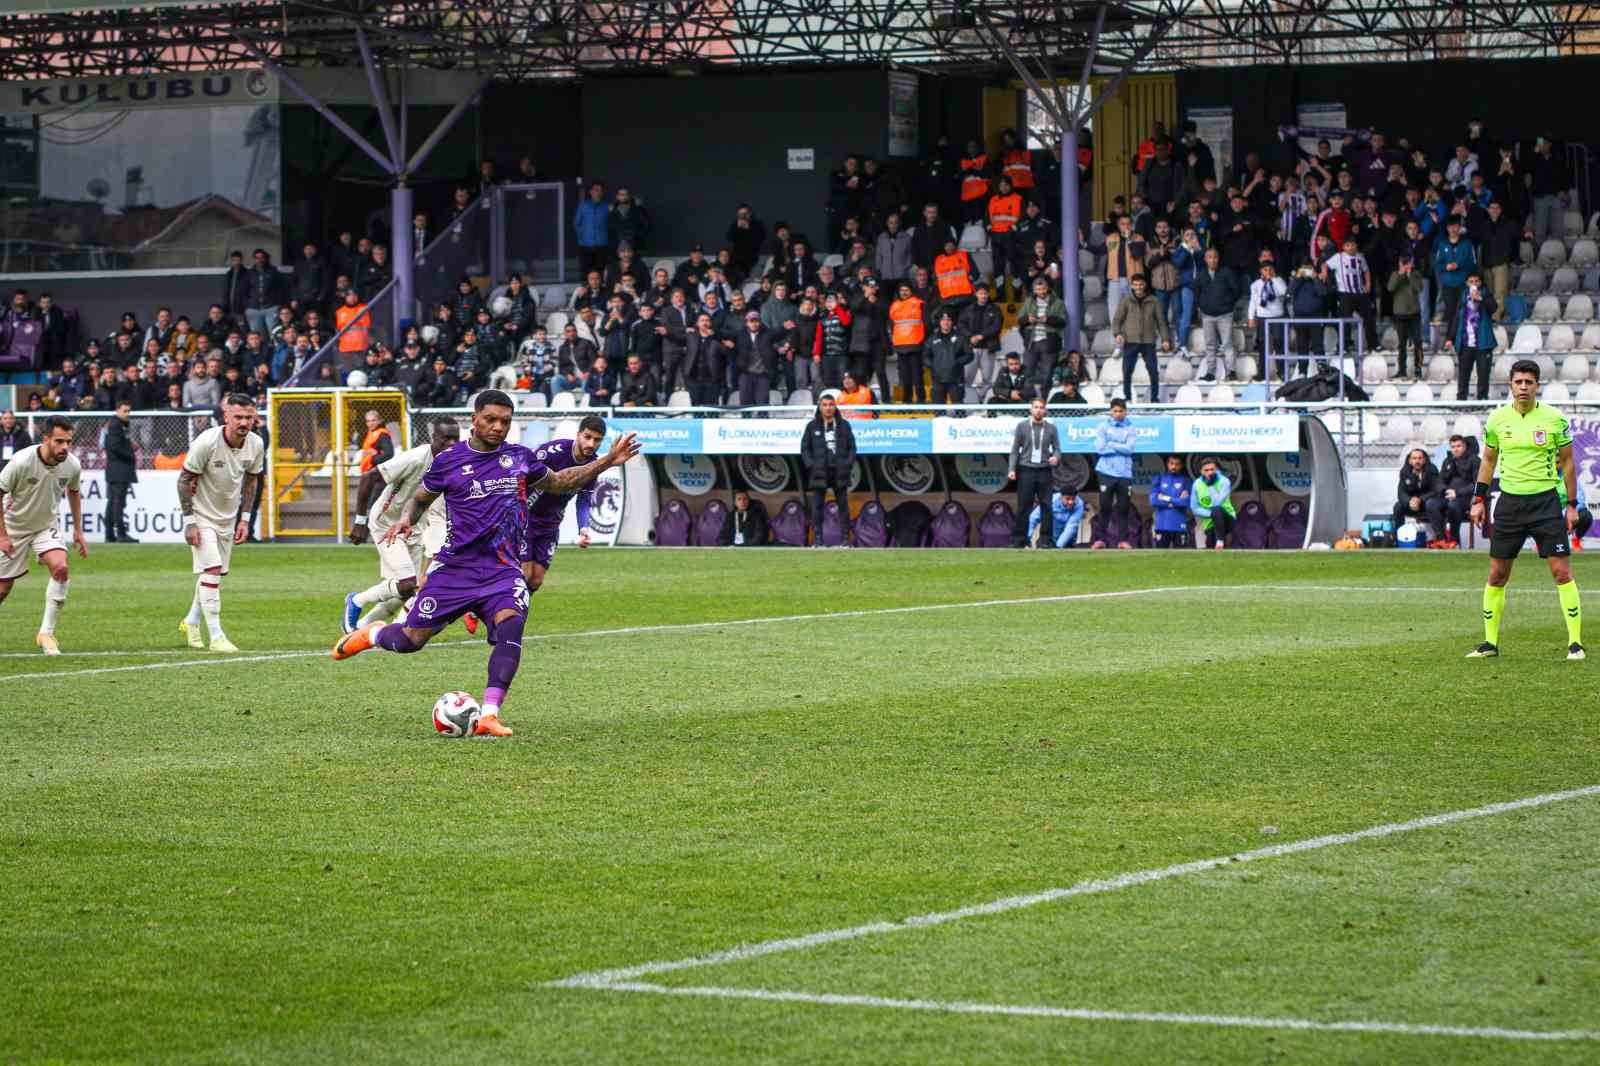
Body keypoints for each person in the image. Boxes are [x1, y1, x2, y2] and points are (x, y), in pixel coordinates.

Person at [333, 391, 641, 737]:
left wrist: (606, 461)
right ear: (475, 419)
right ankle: (373, 634)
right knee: (411, 640)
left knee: (512, 627)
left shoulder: (520, 458)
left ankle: (489, 715)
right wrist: (406, 519)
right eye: (491, 419)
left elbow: (559, 482)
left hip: (502, 570)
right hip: (454, 569)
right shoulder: (449, 461)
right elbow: (420, 498)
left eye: (505, 422)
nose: (498, 427)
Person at [1467, 360, 1583, 660]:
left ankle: (1575, 643)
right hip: (1509, 504)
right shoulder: (1497, 420)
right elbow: (1488, 461)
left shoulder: (1555, 419)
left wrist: (1571, 506)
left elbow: (1569, 463)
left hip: (1545, 503)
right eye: (1518, 382)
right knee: (1497, 574)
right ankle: (1490, 643)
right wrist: (1478, 499)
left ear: (1537, 385)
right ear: (1510, 385)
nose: (1523, 387)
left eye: (1528, 382)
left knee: (1561, 572)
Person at [342, 421, 461, 633]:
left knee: (406, 592)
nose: (451, 444)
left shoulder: (452, 463)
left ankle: (360, 629)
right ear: (434, 437)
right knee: (408, 584)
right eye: (446, 439)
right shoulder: (415, 458)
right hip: (386, 524)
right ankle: (357, 600)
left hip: (414, 528)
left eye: (455, 439)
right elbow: (369, 477)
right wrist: (360, 521)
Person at [176, 394, 263, 653]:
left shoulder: (256, 444)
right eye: (238, 417)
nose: (243, 422)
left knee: (213, 573)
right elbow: (183, 480)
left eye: (248, 417)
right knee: (212, 568)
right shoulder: (207, 442)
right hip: (201, 515)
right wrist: (189, 522)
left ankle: (190, 622)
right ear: (226, 416)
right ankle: (216, 636)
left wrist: (245, 519)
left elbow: (252, 481)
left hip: (227, 517)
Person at [0, 416, 86, 654]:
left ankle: (46, 634)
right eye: (59, 441)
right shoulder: (21, 462)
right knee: (3, 588)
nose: (65, 447)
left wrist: (78, 531)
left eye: (68, 441)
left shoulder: (72, 465)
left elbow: (74, 492)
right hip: (13, 526)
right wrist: (2, 536)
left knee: (61, 568)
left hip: (45, 525)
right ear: (45, 439)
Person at [521, 415, 609, 595]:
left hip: (550, 525)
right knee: (524, 573)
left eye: (597, 440)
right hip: (526, 519)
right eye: (587, 437)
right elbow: (522, 474)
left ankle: (515, 608)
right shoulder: (553, 452)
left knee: (536, 580)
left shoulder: (593, 466)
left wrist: (583, 528)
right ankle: (498, 610)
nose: (591, 444)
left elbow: (584, 500)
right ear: (578, 435)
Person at [800, 394, 856, 545]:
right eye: (825, 405)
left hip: (839, 471)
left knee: (843, 507)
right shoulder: (812, 426)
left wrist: (847, 464)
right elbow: (805, 449)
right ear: (820, 407)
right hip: (819, 471)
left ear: (835, 406)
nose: (828, 408)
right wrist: (811, 465)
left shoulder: (844, 425)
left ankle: (845, 539)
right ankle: (818, 539)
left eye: (831, 404)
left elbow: (852, 448)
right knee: (817, 507)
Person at [1008, 397, 1060, 548]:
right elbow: (1014, 450)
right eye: (1036, 407)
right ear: (1031, 409)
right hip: (1026, 470)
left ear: (1045, 410)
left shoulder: (1051, 428)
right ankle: (1020, 539)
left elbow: (1057, 448)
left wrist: (1056, 457)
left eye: (1041, 407)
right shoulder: (1022, 426)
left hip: (1044, 470)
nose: (1038, 410)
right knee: (1024, 506)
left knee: (1047, 506)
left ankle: (1045, 540)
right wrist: (1011, 469)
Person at [1112, 275, 1171, 404]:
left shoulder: (1153, 301)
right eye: (1136, 284)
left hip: (1148, 342)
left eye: (1141, 284)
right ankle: (1127, 398)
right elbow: (1117, 319)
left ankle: (1154, 399)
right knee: (1127, 371)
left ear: (1145, 285)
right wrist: (1117, 333)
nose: (1138, 287)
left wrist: (1165, 339)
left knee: (1153, 371)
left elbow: (1161, 322)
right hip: (1130, 341)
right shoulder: (1126, 300)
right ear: (1132, 285)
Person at [1093, 399, 1136, 549]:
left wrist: (1111, 444)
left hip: (1124, 473)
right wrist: (1120, 447)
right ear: (1111, 411)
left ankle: (1123, 540)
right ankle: (1100, 539)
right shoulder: (1103, 426)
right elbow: (1100, 449)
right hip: (1106, 471)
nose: (1118, 414)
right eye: (1115, 411)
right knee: (1105, 507)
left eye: (1121, 411)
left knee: (1124, 507)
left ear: (1125, 411)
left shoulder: (1130, 427)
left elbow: (1130, 449)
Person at [1451, 273, 1497, 401]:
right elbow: (1456, 318)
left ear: (1480, 283)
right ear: (1467, 283)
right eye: (1471, 281)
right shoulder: (1462, 297)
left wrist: (1480, 298)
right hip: (1465, 343)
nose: (1474, 284)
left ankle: (1482, 400)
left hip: (1483, 344)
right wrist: (1451, 337)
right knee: (1463, 375)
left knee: (1483, 375)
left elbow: (1493, 308)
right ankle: (1461, 401)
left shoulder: (1486, 294)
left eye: (1476, 281)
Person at [1427, 434, 1479, 544]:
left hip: (1465, 498)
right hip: (1447, 495)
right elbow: (1439, 480)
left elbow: (1477, 484)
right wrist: (1444, 490)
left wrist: (1457, 493)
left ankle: (1454, 540)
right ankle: (1441, 539)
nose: (1455, 449)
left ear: (1465, 447)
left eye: (1458, 446)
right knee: (1431, 504)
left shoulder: (1475, 460)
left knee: (1453, 506)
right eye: (1453, 446)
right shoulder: (1448, 460)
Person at [924, 310, 974, 412]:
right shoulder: (931, 339)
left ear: (952, 322)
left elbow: (969, 355)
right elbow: (925, 356)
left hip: (956, 379)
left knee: (959, 412)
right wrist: (933, 365)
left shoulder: (961, 338)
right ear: (939, 322)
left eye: (948, 320)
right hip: (938, 379)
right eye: (943, 320)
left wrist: (957, 363)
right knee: (938, 413)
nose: (946, 322)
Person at [888, 282, 928, 405]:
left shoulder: (919, 303)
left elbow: (927, 323)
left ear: (911, 291)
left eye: (906, 290)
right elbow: (892, 325)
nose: (904, 292)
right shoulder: (894, 305)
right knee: (905, 378)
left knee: (917, 377)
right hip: (900, 346)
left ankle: (921, 402)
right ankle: (907, 402)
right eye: (902, 290)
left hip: (915, 345)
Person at [104, 401, 138, 543]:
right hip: (119, 469)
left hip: (115, 469)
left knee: (113, 502)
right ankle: (121, 534)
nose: (127, 414)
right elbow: (114, 446)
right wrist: (131, 453)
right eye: (125, 411)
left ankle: (110, 534)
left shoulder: (117, 425)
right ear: (117, 410)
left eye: (129, 411)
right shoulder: (116, 425)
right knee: (118, 502)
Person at [1189, 458, 1235, 549]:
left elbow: (1216, 503)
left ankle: (1220, 541)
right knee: (1210, 547)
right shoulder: (1196, 484)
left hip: (1227, 518)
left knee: (1217, 509)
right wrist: (1211, 514)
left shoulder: (1224, 481)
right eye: (1206, 470)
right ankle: (1219, 543)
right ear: (1201, 472)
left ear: (1216, 469)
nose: (1209, 472)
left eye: (1212, 469)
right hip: (1210, 521)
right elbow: (1194, 508)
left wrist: (1210, 485)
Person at [1393, 447, 1439, 533]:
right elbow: (1401, 492)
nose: (1417, 461)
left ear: (1424, 460)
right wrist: (1409, 501)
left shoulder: (1432, 470)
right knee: (1398, 506)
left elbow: (1435, 490)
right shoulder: (1404, 472)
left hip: (1426, 503)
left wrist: (1420, 500)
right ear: (1410, 461)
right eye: (1414, 458)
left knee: (1432, 504)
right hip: (1411, 505)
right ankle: (1398, 536)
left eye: (1420, 458)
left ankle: (1440, 538)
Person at [1149, 455, 1191, 547]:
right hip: (1161, 525)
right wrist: (1177, 500)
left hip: (1180, 525)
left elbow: (1186, 502)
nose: (1174, 467)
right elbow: (1153, 501)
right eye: (1171, 463)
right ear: (1167, 464)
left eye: (1177, 464)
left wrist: (1166, 498)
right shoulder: (1159, 479)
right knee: (1160, 557)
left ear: (1182, 465)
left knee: (1181, 557)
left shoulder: (1186, 480)